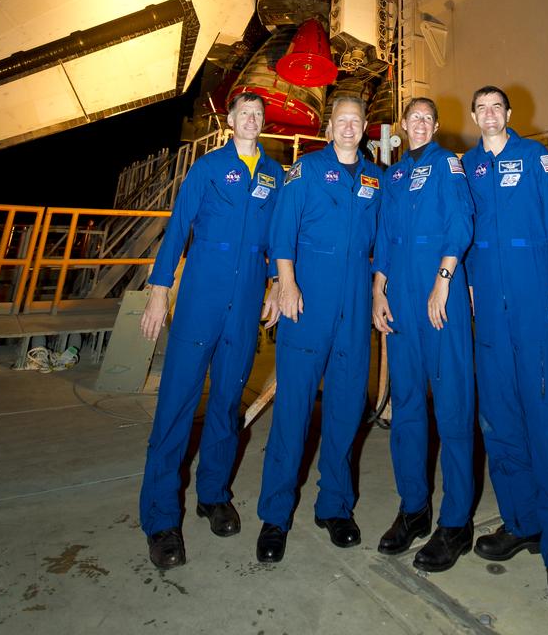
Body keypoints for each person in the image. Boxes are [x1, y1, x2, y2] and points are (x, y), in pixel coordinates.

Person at [139, 92, 283, 570]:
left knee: (226, 404)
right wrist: (159, 291)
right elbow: (178, 229)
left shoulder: (273, 174)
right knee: (177, 406)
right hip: (201, 300)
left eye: (258, 115)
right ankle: (161, 520)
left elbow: (279, 239)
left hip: (243, 308)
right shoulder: (207, 167)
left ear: (263, 123)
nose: (251, 120)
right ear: (231, 119)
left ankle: (213, 495)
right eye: (244, 113)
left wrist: (278, 283)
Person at [462, 86, 548, 611]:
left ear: (509, 115)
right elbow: (458, 230)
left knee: (545, 422)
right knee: (500, 420)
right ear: (473, 117)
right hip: (487, 306)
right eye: (481, 109)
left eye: (497, 108)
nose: (490, 115)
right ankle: (522, 524)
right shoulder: (465, 165)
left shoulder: (535, 157)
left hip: (535, 299)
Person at [255, 95, 382, 563]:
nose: (349, 128)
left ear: (366, 128)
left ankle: (335, 507)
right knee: (292, 409)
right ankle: (275, 515)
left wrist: (381, 291)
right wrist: (283, 282)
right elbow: (281, 231)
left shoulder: (376, 178)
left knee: (347, 409)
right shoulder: (304, 170)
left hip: (354, 304)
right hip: (307, 300)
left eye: (356, 121)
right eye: (341, 121)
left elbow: (385, 240)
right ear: (329, 128)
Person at [372, 97, 475, 571]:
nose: (418, 125)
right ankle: (414, 508)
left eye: (426, 119)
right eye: (412, 119)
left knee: (452, 407)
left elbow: (460, 222)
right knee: (407, 407)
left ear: (434, 126)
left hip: (439, 302)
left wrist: (444, 279)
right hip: (401, 305)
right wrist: (379, 291)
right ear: (402, 126)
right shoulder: (391, 178)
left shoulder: (447, 165)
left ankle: (455, 522)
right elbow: (384, 240)